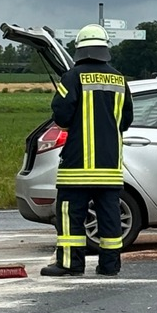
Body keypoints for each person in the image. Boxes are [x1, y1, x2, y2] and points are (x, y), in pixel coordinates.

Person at [42, 24, 134, 277]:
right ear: (105, 49)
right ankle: (110, 266)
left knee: (70, 215)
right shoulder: (119, 80)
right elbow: (126, 121)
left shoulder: (72, 77)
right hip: (110, 165)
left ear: (80, 50)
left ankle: (71, 264)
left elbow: (61, 116)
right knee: (109, 216)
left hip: (77, 166)